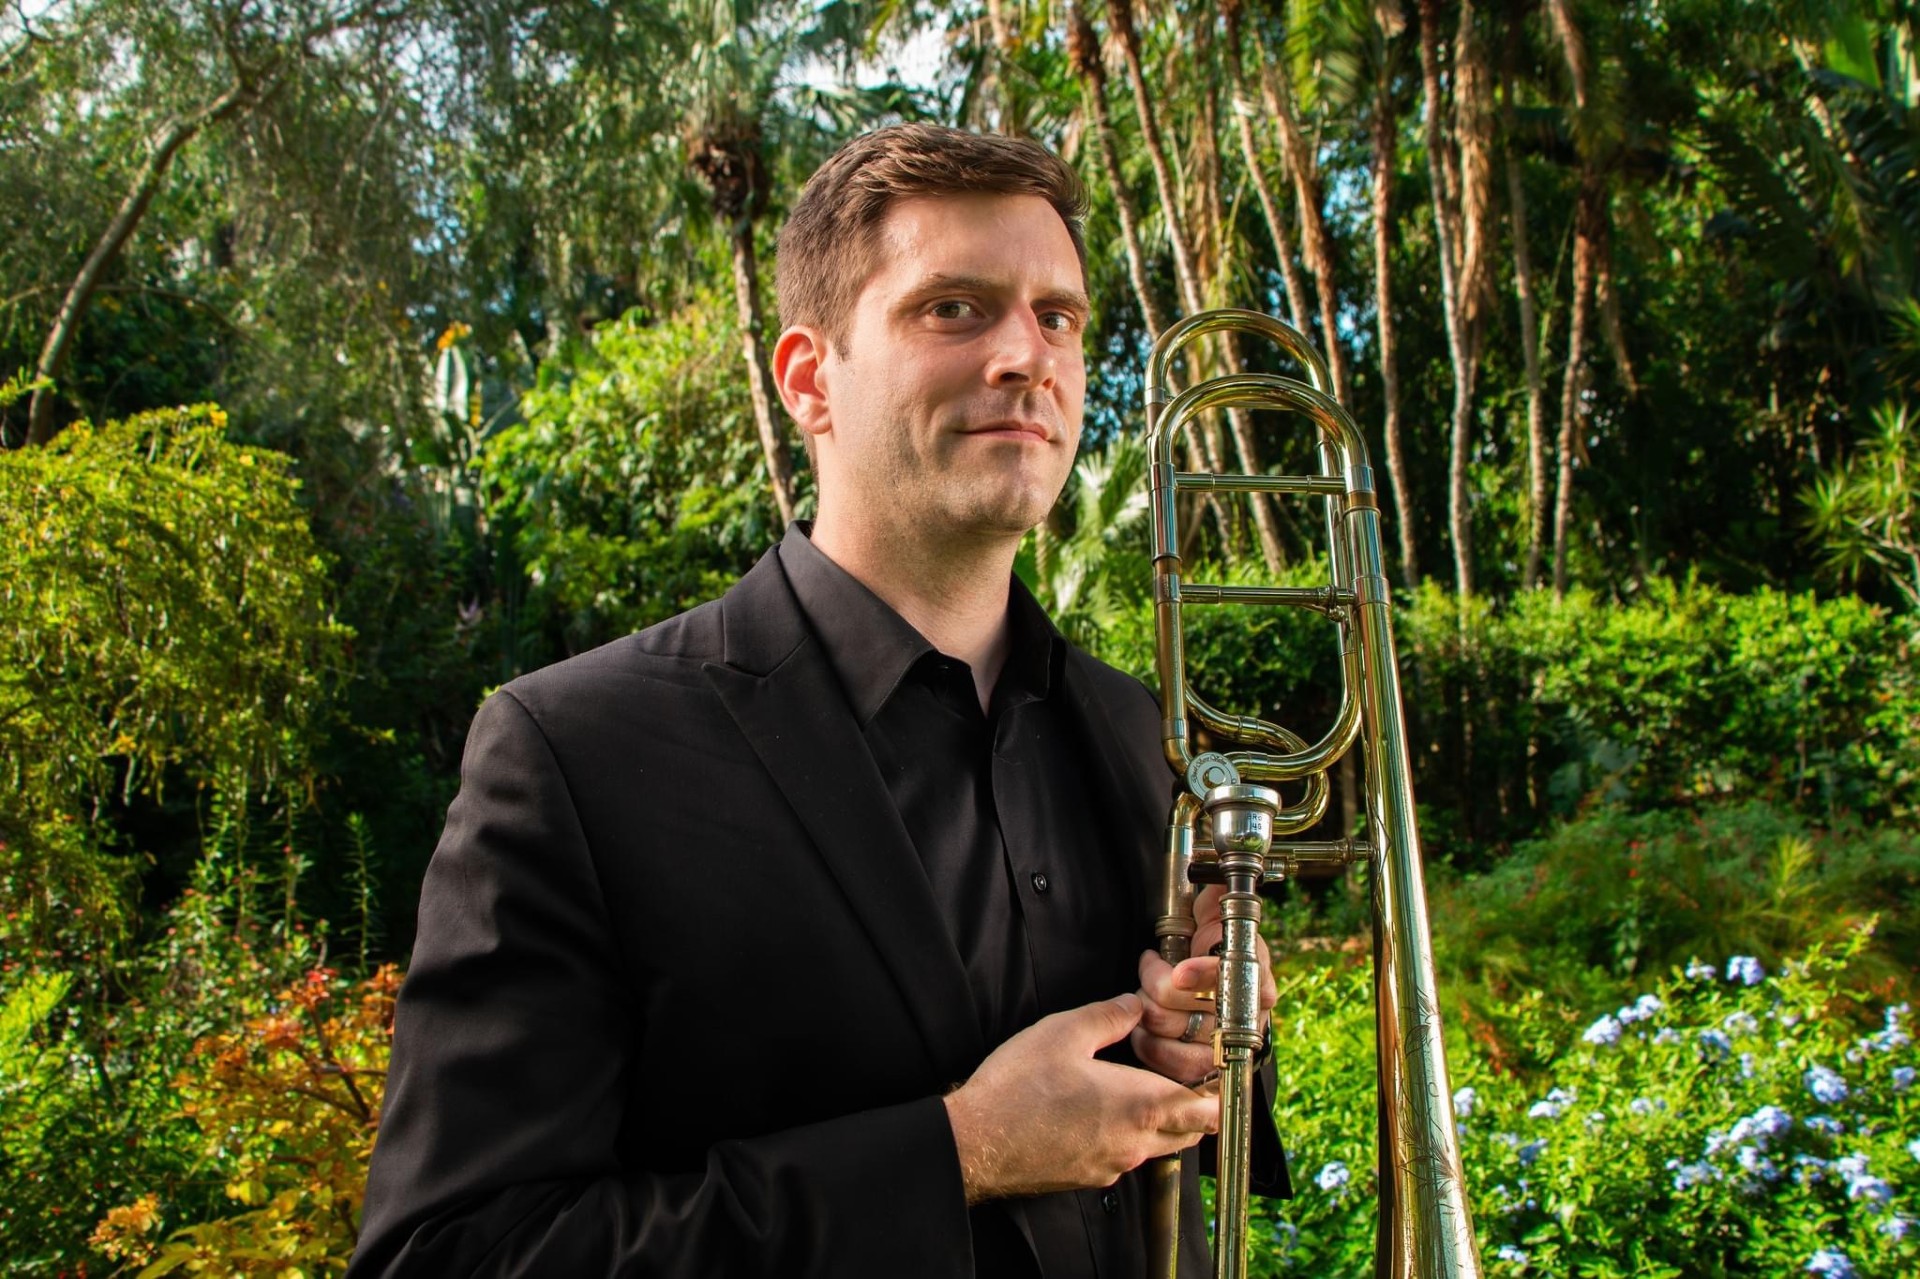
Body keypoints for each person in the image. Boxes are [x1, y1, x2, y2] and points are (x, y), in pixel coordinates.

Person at [349, 123, 1286, 1279]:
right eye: (953, 308)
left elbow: (1176, 1151)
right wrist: (962, 1152)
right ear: (808, 381)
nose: (1026, 355)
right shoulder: (574, 754)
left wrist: (1211, 1026)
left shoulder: (1137, 731)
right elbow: (446, 1257)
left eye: (1059, 316)